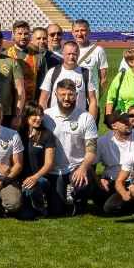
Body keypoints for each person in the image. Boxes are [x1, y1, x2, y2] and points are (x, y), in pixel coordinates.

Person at [42, 80, 97, 215]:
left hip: (76, 168)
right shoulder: (46, 116)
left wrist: (83, 168)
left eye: (70, 94)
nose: (66, 98)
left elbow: (91, 150)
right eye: (63, 94)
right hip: (55, 171)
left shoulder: (86, 118)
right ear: (56, 94)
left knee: (82, 185)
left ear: (76, 95)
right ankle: (64, 198)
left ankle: (78, 199)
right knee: (57, 212)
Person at [16, 105, 58, 219]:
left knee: (31, 187)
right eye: (35, 115)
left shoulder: (47, 135)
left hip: (41, 178)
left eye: (40, 115)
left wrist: (35, 177)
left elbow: (49, 164)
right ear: (27, 116)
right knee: (25, 215)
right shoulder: (18, 133)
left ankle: (40, 207)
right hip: (21, 179)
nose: (38, 118)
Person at [101, 46, 134, 119]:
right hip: (125, 119)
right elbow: (110, 99)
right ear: (131, 62)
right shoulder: (121, 76)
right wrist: (109, 118)